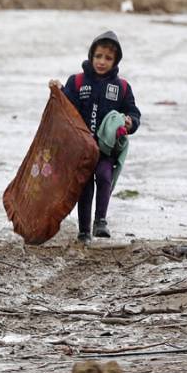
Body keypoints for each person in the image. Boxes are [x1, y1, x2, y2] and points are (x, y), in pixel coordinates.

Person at [49, 31, 141, 244]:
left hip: (106, 149)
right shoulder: (78, 81)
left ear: (115, 61)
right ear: (91, 56)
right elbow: (66, 108)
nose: (102, 62)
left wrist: (130, 123)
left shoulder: (122, 87)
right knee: (85, 186)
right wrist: (59, 91)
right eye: (98, 56)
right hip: (81, 150)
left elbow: (134, 113)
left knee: (105, 176)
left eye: (108, 58)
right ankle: (83, 231)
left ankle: (100, 221)